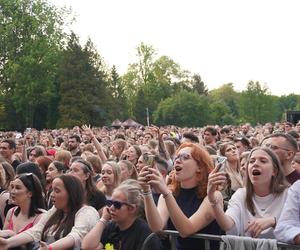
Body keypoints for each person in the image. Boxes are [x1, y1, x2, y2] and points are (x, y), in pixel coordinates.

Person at [139, 142, 220, 250]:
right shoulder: (170, 192)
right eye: (176, 157)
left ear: (199, 167)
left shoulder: (213, 195)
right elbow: (157, 227)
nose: (177, 160)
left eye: (185, 157)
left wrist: (166, 193)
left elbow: (187, 230)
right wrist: (146, 191)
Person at [207, 146, 289, 238]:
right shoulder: (241, 194)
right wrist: (211, 198)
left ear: (274, 171)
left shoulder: (289, 195)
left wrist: (274, 221)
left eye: (263, 161)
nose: (255, 164)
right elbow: (228, 225)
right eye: (251, 161)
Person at [0, 174, 99, 249]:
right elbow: (36, 231)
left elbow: (76, 236)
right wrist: (8, 243)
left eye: (57, 191)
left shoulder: (87, 212)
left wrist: (50, 248)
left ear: (71, 193)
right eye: (52, 190)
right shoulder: (55, 210)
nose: (52, 195)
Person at [81, 180, 161, 250]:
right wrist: (103, 219)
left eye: (117, 204)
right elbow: (86, 246)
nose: (111, 208)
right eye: (110, 203)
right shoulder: (112, 226)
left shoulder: (144, 233)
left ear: (131, 208)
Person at [0, 173, 45, 239]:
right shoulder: (11, 212)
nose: (12, 191)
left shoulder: (41, 217)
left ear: (30, 193)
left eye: (18, 188)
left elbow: (36, 244)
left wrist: (11, 234)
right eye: (12, 187)